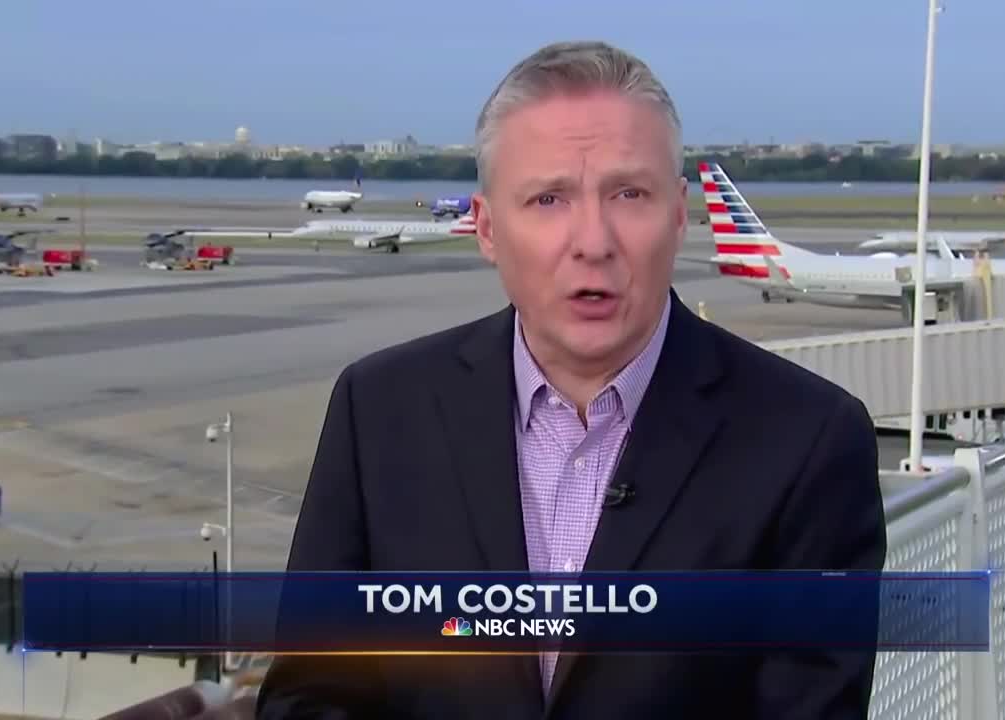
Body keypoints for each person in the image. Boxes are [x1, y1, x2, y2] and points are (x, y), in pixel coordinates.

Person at [257, 40, 886, 720]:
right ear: (488, 229)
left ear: (678, 216)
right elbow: (308, 695)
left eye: (629, 194)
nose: (593, 240)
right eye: (549, 198)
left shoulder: (808, 440)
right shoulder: (379, 412)